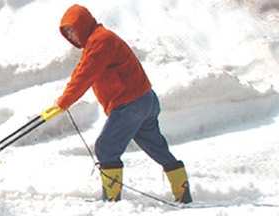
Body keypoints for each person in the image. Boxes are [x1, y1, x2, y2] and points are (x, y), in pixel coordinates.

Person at [51, 4, 192, 203]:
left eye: (72, 30)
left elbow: (85, 76)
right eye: (67, 33)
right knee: (156, 147)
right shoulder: (96, 41)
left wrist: (64, 102)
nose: (71, 37)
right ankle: (183, 192)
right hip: (144, 100)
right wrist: (62, 100)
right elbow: (81, 70)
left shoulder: (101, 41)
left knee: (106, 147)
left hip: (130, 103)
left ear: (82, 24)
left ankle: (111, 200)